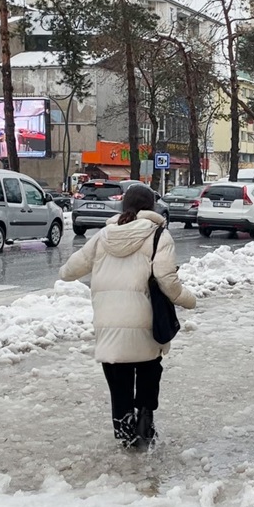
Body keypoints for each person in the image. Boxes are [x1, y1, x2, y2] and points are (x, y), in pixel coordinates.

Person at [59, 185, 196, 448]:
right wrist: (188, 299)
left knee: (118, 382)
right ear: (152, 207)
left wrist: (64, 270)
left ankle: (126, 435)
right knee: (149, 370)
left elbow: (70, 270)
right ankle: (145, 421)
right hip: (145, 322)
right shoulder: (158, 236)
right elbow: (167, 280)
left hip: (108, 323)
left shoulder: (103, 236)